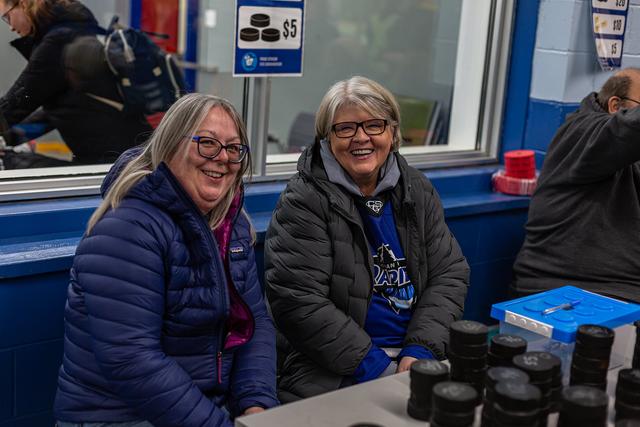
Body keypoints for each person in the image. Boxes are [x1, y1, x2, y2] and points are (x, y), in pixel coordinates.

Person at [53, 93, 278, 426]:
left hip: (206, 410)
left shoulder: (232, 225)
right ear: (171, 144)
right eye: (207, 143)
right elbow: (131, 359)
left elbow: (254, 324)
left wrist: (256, 406)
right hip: (119, 417)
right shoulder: (128, 228)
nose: (222, 158)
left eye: (233, 148)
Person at [264, 76, 470, 402]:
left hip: (416, 356)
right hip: (334, 368)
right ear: (327, 139)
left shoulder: (416, 188)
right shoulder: (303, 200)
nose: (361, 138)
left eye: (374, 125)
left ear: (392, 133)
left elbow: (449, 273)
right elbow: (299, 300)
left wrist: (420, 350)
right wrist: (377, 367)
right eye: (345, 128)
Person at [511, 68, 640, 303]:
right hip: (570, 292)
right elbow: (629, 129)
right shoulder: (581, 134)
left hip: (621, 292)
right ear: (615, 106)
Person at [0, 0, 151, 168]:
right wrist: (7, 138)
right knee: (12, 158)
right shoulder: (77, 31)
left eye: (7, 17)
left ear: (23, 4)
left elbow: (14, 105)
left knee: (7, 162)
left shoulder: (58, 42)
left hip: (114, 167)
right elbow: (58, 112)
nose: (10, 27)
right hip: (133, 156)